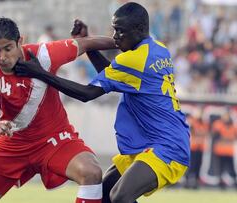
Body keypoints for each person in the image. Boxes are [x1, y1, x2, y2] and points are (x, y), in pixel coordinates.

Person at [14, 2, 190, 203]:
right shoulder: (158, 49)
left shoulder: (133, 60)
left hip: (167, 146)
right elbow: (112, 75)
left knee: (120, 197)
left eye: (120, 31)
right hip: (154, 142)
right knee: (104, 195)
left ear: (139, 29)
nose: (115, 37)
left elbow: (87, 93)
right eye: (114, 30)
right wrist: (88, 45)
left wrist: (41, 74)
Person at [0, 17, 116, 203]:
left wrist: (129, 41)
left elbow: (86, 43)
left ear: (20, 41)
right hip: (13, 143)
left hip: (54, 138)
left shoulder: (45, 54)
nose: (2, 57)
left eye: (8, 48)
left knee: (91, 172)